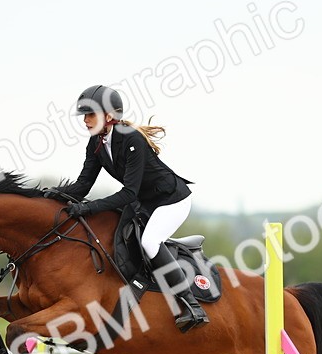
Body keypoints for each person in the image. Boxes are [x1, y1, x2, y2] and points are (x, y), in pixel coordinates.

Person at [48, 84, 208, 332]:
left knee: (149, 242)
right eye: (84, 115)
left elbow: (128, 193)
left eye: (91, 114)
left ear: (109, 116)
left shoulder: (131, 139)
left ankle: (191, 304)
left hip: (171, 200)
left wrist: (88, 209)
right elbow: (82, 185)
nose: (85, 121)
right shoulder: (96, 143)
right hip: (143, 201)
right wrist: (54, 195)